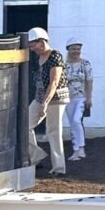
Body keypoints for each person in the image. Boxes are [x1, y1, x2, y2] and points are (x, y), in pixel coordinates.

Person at [27, 27, 69, 176]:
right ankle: (36, 157)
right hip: (40, 98)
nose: (31, 48)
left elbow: (54, 82)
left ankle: (59, 168)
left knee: (53, 131)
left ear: (41, 41)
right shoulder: (38, 57)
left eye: (32, 44)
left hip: (56, 99)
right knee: (24, 126)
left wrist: (45, 103)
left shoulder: (55, 56)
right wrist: (41, 101)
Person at [63, 37, 93, 162]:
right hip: (68, 98)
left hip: (81, 97)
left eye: (78, 49)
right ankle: (76, 150)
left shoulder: (85, 64)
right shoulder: (64, 66)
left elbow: (89, 81)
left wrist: (89, 97)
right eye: (73, 49)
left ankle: (81, 147)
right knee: (72, 124)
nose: (76, 51)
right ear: (68, 49)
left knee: (76, 120)